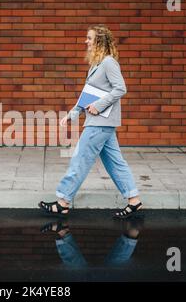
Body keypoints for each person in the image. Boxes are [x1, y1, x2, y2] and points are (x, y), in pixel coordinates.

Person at [39, 24, 143, 219]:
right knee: (115, 162)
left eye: (89, 38)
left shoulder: (109, 63)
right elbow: (89, 94)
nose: (85, 41)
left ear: (99, 41)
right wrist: (73, 113)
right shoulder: (97, 64)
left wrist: (99, 106)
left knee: (80, 158)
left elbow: (120, 88)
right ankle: (134, 200)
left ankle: (63, 202)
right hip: (100, 121)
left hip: (100, 121)